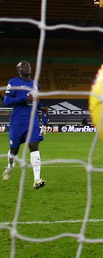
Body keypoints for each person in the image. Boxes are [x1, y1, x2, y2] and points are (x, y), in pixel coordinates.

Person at [3, 60, 46, 189]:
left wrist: (41, 106)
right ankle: (10, 166)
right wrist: (23, 98)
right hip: (18, 121)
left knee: (33, 145)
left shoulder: (35, 83)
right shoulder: (13, 82)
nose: (27, 68)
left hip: (32, 120)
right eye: (23, 67)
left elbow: (34, 101)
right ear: (19, 70)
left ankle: (37, 179)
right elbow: (7, 101)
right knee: (14, 149)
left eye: (28, 66)